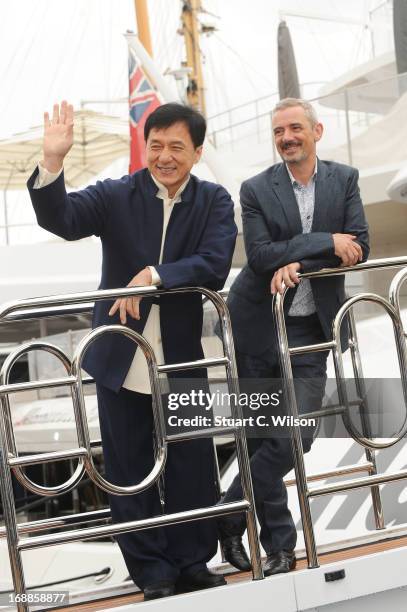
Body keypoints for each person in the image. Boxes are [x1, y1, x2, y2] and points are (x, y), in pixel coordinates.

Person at [27, 101, 237, 600]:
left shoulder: (214, 200)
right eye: (156, 145)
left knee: (193, 464)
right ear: (146, 146)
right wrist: (53, 162)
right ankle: (154, 574)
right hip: (120, 358)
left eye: (176, 147)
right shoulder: (118, 194)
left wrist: (153, 276)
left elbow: (213, 262)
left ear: (197, 152)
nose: (164, 156)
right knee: (128, 470)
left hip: (182, 357)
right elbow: (62, 218)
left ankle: (192, 562)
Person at [218, 98, 369, 576]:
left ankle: (228, 511)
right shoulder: (256, 188)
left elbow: (359, 245)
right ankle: (280, 548)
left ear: (316, 131)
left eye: (295, 128)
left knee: (296, 436)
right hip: (256, 328)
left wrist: (298, 259)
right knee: (262, 434)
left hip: (308, 329)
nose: (287, 138)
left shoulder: (344, 179)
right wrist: (325, 242)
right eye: (279, 131)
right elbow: (261, 256)